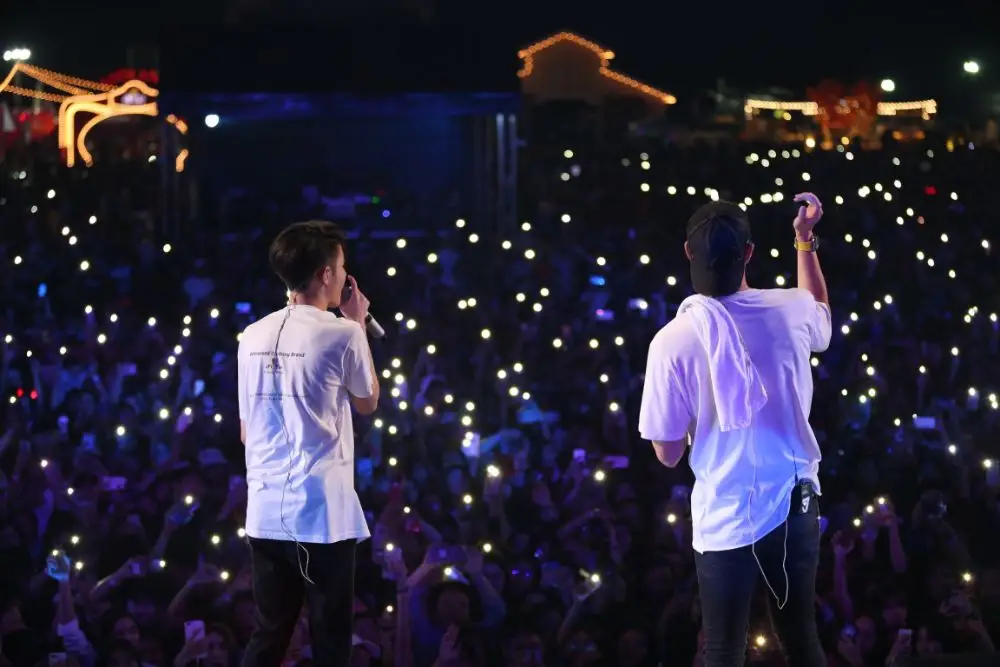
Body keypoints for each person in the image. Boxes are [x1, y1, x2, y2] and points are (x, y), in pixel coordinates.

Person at [638, 194, 832, 667]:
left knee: (724, 649)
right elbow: (823, 320)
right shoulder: (791, 308)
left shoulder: (671, 341)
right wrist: (804, 240)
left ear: (688, 252)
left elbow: (666, 453)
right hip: (793, 501)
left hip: (724, 513)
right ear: (748, 253)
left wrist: (700, 418)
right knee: (801, 640)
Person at [237, 220, 381, 667]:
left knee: (269, 633)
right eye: (342, 267)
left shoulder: (252, 334)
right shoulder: (344, 333)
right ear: (325, 273)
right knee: (330, 639)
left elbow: (246, 431)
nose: (345, 276)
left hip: (264, 510)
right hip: (320, 512)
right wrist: (357, 324)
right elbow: (368, 402)